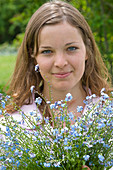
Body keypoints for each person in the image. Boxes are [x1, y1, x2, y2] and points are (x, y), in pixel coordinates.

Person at [0, 0, 112, 169]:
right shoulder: (9, 129)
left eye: (71, 48)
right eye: (47, 51)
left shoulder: (107, 117)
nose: (60, 62)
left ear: (87, 50)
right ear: (33, 55)